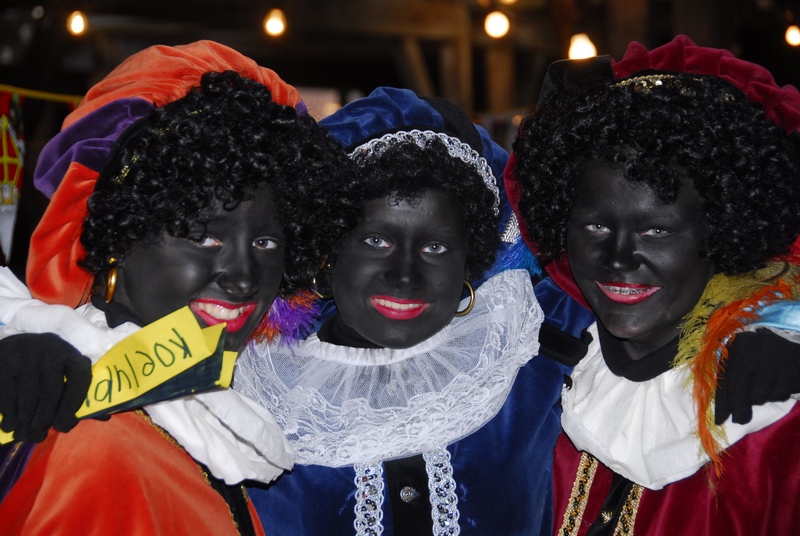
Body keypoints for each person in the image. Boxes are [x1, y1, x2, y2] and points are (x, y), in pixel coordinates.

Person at [0, 41, 361, 535]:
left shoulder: (192, 410)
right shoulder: (101, 446)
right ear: (117, 239)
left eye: (265, 241)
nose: (243, 277)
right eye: (203, 236)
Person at [232, 86, 586, 535]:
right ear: (328, 251)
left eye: (436, 247)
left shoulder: (530, 362)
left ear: (469, 260)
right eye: (376, 240)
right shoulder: (253, 394)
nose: (404, 277)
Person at [506, 35, 800, 535]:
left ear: (722, 232)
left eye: (656, 232)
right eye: (596, 226)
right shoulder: (534, 375)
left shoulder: (776, 424)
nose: (618, 259)